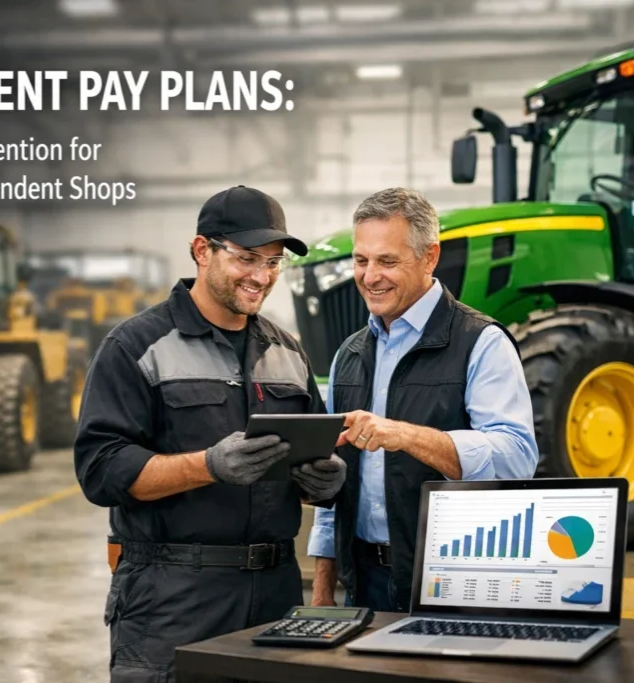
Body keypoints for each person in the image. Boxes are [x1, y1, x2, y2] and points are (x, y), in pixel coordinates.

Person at [74, 185, 348, 682]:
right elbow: (100, 471)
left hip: (275, 591)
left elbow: (311, 448)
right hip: (173, 595)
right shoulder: (136, 347)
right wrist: (206, 466)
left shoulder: (287, 352)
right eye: (246, 258)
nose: (261, 276)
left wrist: (323, 481)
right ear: (203, 250)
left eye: (272, 262)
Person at [307, 187, 539, 613]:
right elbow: (332, 485)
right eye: (361, 261)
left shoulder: (482, 343)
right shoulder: (350, 354)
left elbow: (516, 457)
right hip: (364, 582)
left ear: (430, 257)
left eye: (387, 261)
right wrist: (322, 590)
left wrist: (405, 436)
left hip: (453, 581)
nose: (369, 276)